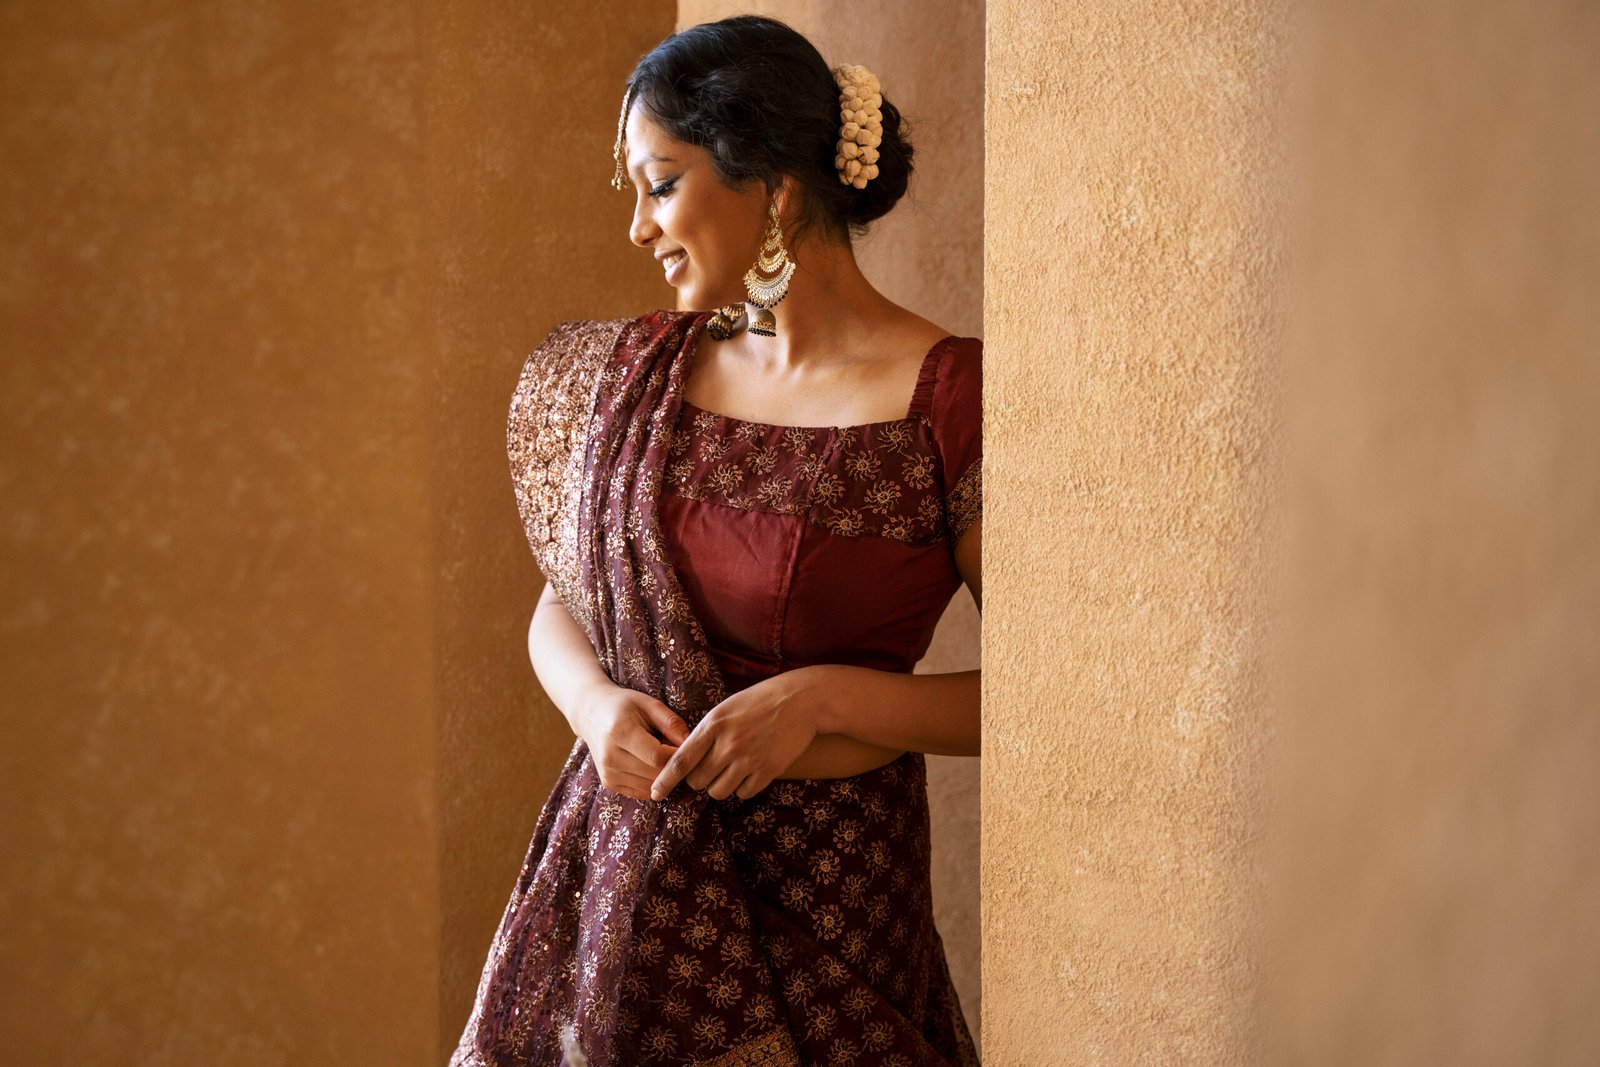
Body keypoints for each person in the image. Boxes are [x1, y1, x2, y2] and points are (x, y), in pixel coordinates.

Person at [450, 15, 982, 1067]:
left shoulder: (947, 399)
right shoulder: (639, 375)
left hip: (833, 901)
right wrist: (595, 708)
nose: (641, 229)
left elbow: (1060, 698)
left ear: (772, 188)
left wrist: (827, 698)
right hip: (622, 897)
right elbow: (564, 600)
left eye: (660, 185)